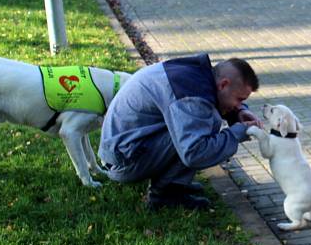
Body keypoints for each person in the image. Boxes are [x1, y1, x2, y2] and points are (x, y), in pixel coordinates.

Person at [98, 53, 261, 210]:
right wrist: (236, 134)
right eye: (240, 99)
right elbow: (195, 153)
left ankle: (173, 186)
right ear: (223, 84)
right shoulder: (191, 97)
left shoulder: (196, 75)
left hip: (122, 147)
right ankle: (164, 195)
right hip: (123, 161)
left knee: (202, 123)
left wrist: (238, 112)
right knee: (202, 132)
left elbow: (215, 103)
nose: (239, 104)